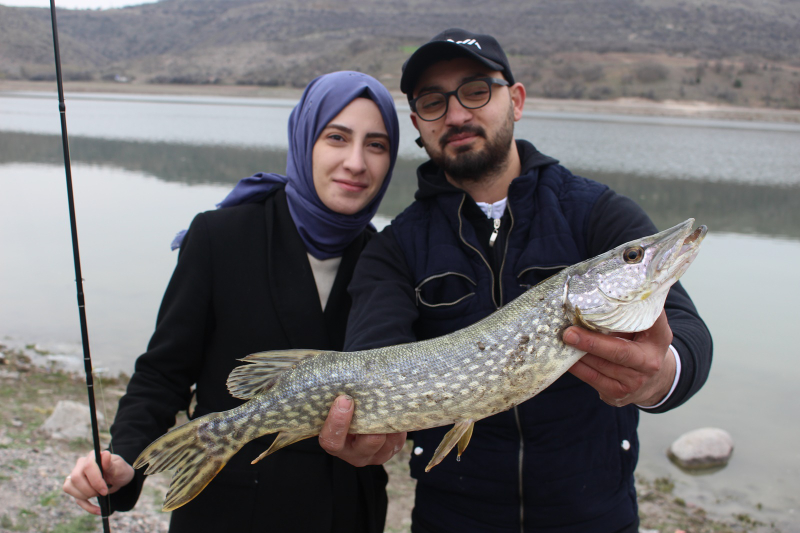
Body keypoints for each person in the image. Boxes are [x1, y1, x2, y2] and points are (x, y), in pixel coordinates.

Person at [325, 29, 713, 533]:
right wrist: (367, 432)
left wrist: (659, 375)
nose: (458, 114)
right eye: (433, 101)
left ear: (517, 99)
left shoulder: (595, 213)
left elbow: (688, 332)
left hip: (595, 517)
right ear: (418, 123)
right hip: (452, 519)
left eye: (476, 90)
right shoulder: (394, 248)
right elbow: (372, 355)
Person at [62, 70, 402, 533]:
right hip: (232, 511)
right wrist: (124, 459)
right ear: (304, 141)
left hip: (343, 513)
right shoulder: (220, 237)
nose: (356, 162)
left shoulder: (385, 259)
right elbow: (164, 373)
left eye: (376, 145)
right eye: (337, 137)